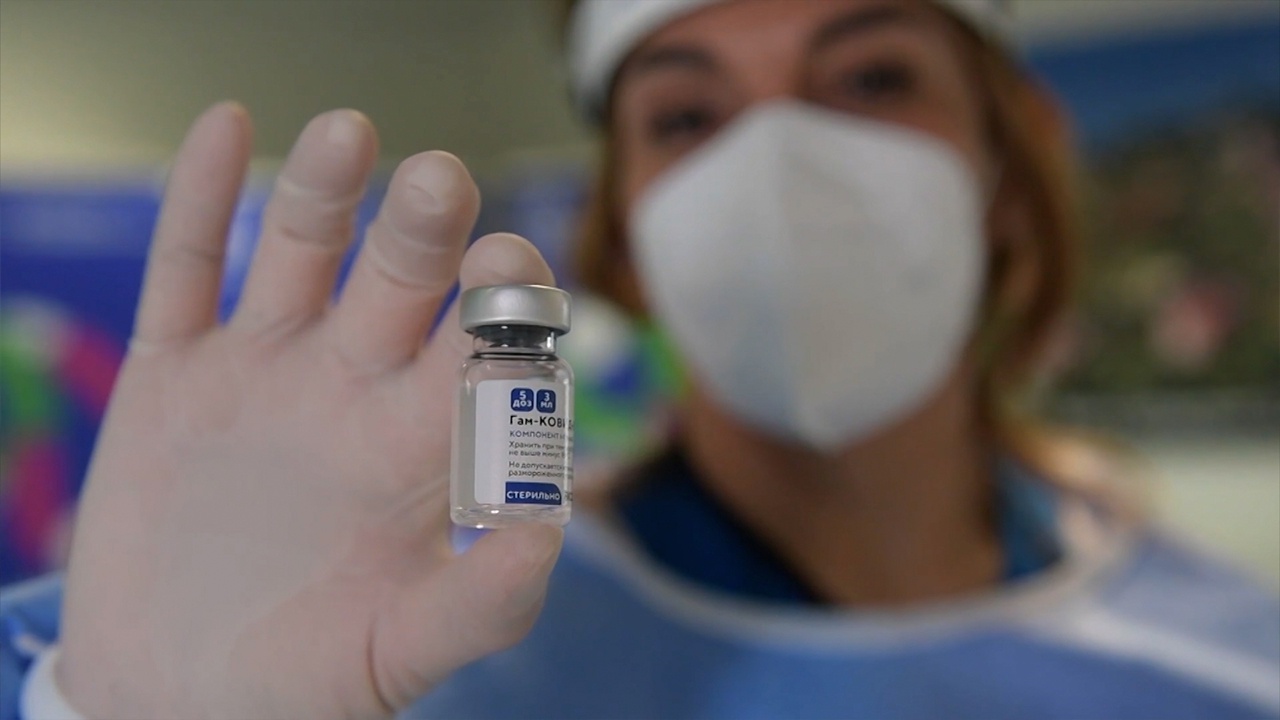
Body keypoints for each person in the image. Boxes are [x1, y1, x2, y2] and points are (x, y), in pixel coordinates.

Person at [3, 0, 1278, 717]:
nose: (778, 165)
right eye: (685, 112)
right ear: (625, 220)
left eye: (871, 79)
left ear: (1005, 160)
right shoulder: (405, 627)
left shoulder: (1231, 665)